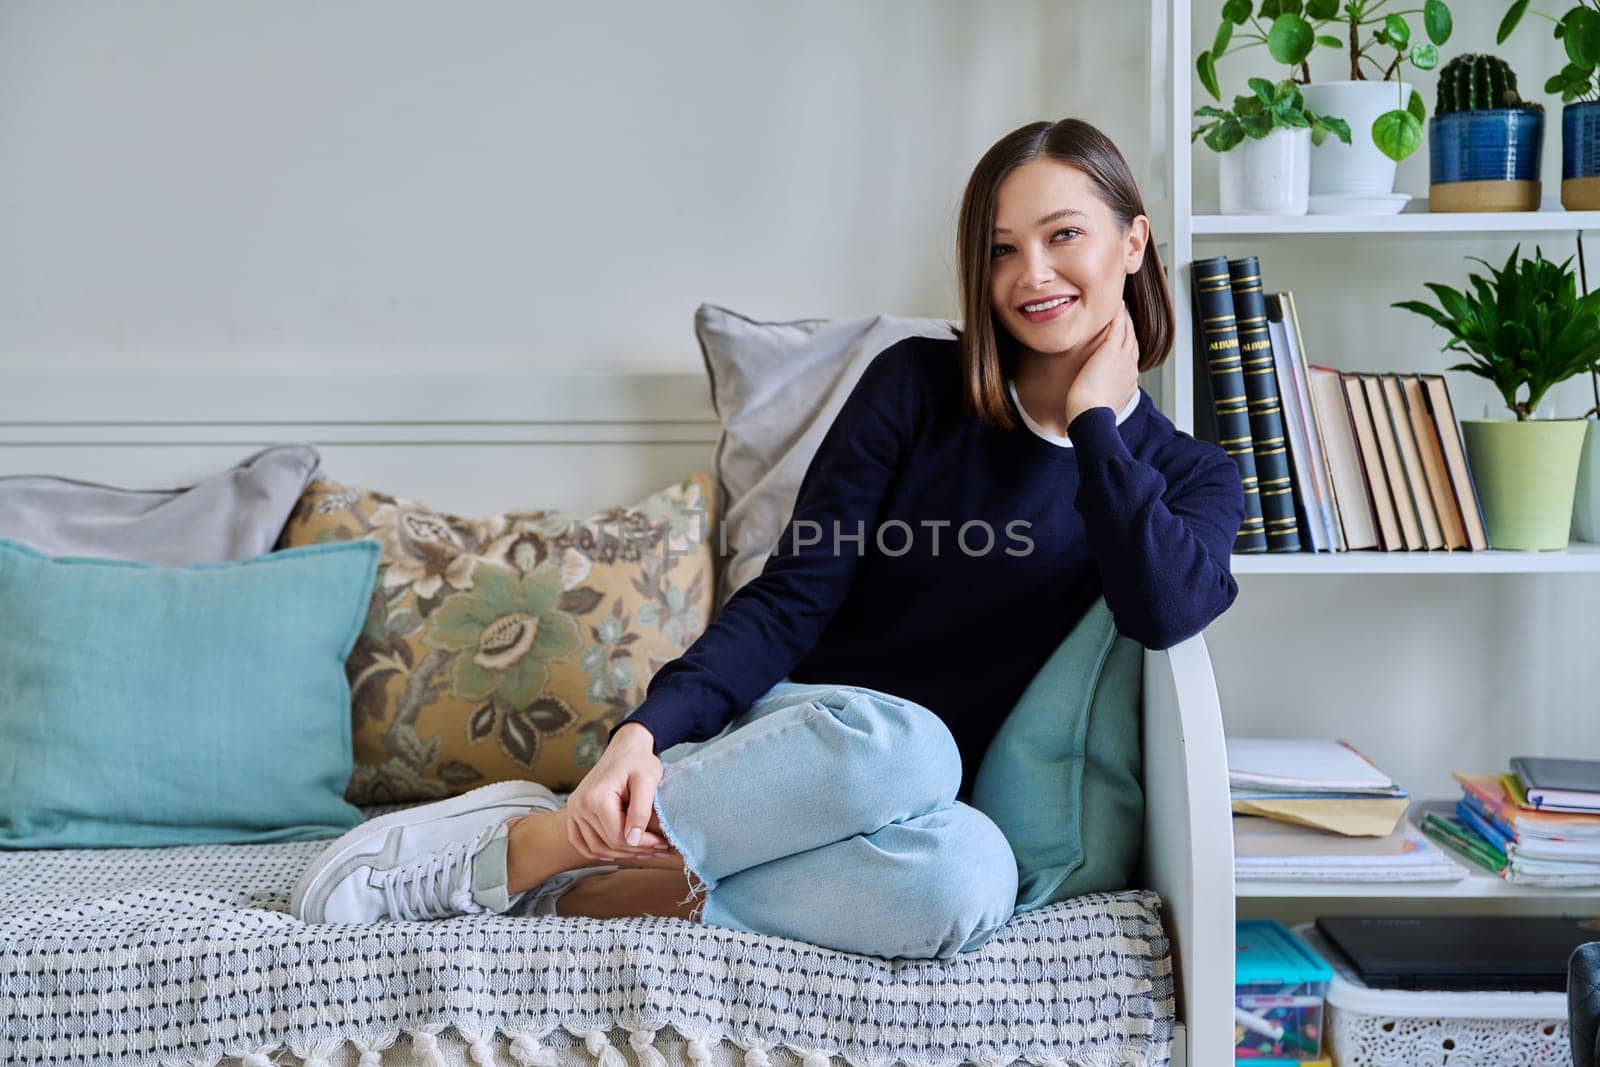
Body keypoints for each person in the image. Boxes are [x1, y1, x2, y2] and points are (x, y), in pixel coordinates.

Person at [290, 117, 1245, 960]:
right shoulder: (914, 385)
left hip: (926, 814)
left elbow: (1163, 606)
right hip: (820, 740)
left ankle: (599, 897)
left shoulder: (1187, 476)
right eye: (1001, 250)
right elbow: (793, 596)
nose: (1030, 274)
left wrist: (1094, 425)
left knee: (969, 885)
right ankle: (524, 850)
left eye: (1063, 235)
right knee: (909, 743)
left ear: (1133, 241)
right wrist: (642, 735)